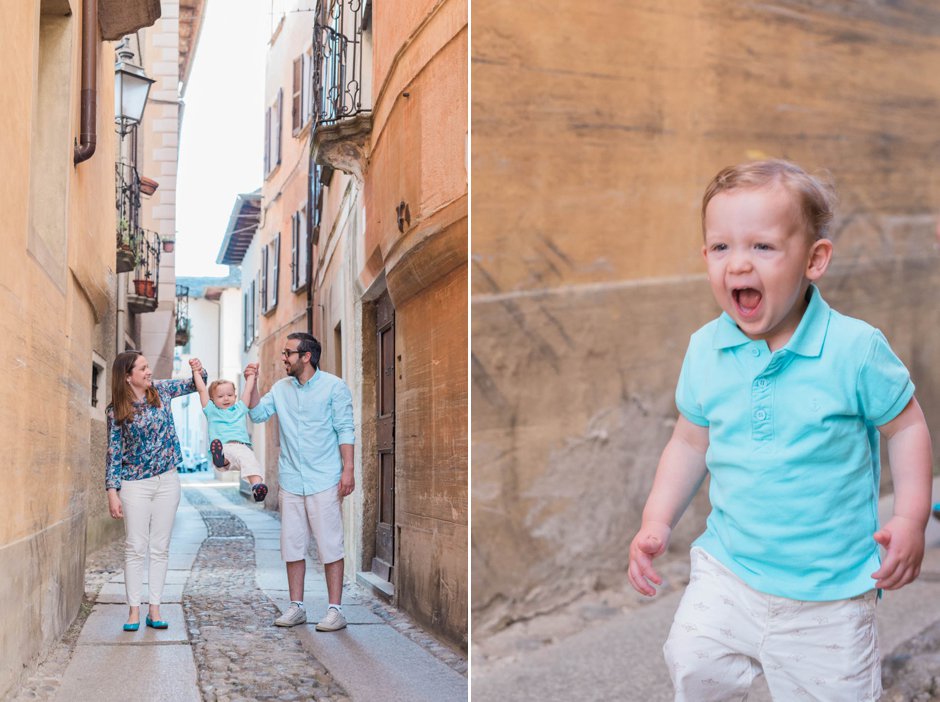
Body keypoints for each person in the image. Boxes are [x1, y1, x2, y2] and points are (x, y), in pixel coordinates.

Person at [627, 159, 933, 700]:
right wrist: (657, 521)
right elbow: (689, 441)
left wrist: (910, 518)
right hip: (730, 568)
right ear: (705, 257)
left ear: (814, 260)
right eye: (721, 247)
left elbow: (906, 428)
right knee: (693, 663)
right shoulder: (705, 348)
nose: (738, 263)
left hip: (830, 592)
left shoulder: (854, 349)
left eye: (762, 247)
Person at [245, 332, 355, 631]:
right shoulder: (281, 389)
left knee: (330, 545)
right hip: (292, 479)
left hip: (325, 478)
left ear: (306, 356)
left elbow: (345, 429)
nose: (284, 358)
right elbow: (256, 414)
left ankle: (335, 610)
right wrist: (252, 382)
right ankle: (297, 607)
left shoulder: (335, 387)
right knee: (292, 546)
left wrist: (348, 470)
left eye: (288, 353)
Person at [106, 350, 207, 631]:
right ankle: (133, 612)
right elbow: (114, 453)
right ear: (127, 378)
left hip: (167, 481)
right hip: (134, 483)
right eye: (143, 368)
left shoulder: (161, 390)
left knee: (160, 548)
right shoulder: (117, 410)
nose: (149, 372)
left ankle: (155, 609)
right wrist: (112, 491)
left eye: (148, 367)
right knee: (135, 547)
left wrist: (199, 367)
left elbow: (197, 382)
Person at [188, 358, 268, 502]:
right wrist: (195, 371)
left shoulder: (240, 408)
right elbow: (201, 390)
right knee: (227, 456)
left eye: (230, 395)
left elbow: (248, 390)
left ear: (235, 396)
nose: (226, 398)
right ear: (212, 399)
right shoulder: (211, 410)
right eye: (220, 396)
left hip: (241, 447)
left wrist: (252, 375)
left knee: (250, 460)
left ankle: (257, 486)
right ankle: (220, 459)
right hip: (223, 446)